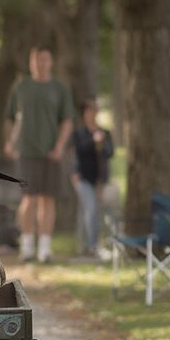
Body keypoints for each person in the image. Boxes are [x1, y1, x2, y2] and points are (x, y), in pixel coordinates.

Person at [3, 46, 75, 263]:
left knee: (47, 199)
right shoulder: (22, 86)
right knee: (28, 198)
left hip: (51, 152)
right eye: (35, 60)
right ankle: (27, 246)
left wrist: (60, 146)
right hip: (26, 150)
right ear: (31, 62)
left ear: (50, 62)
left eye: (43, 60)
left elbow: (67, 120)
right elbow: (13, 117)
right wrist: (10, 141)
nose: (39, 64)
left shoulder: (59, 88)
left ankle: (45, 248)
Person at [71, 99, 114, 258]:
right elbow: (78, 151)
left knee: (95, 212)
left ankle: (92, 245)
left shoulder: (105, 133)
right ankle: (90, 246)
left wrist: (102, 142)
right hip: (83, 177)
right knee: (89, 211)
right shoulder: (79, 133)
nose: (92, 114)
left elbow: (110, 153)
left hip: (99, 179)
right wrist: (92, 141)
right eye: (89, 111)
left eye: (94, 110)